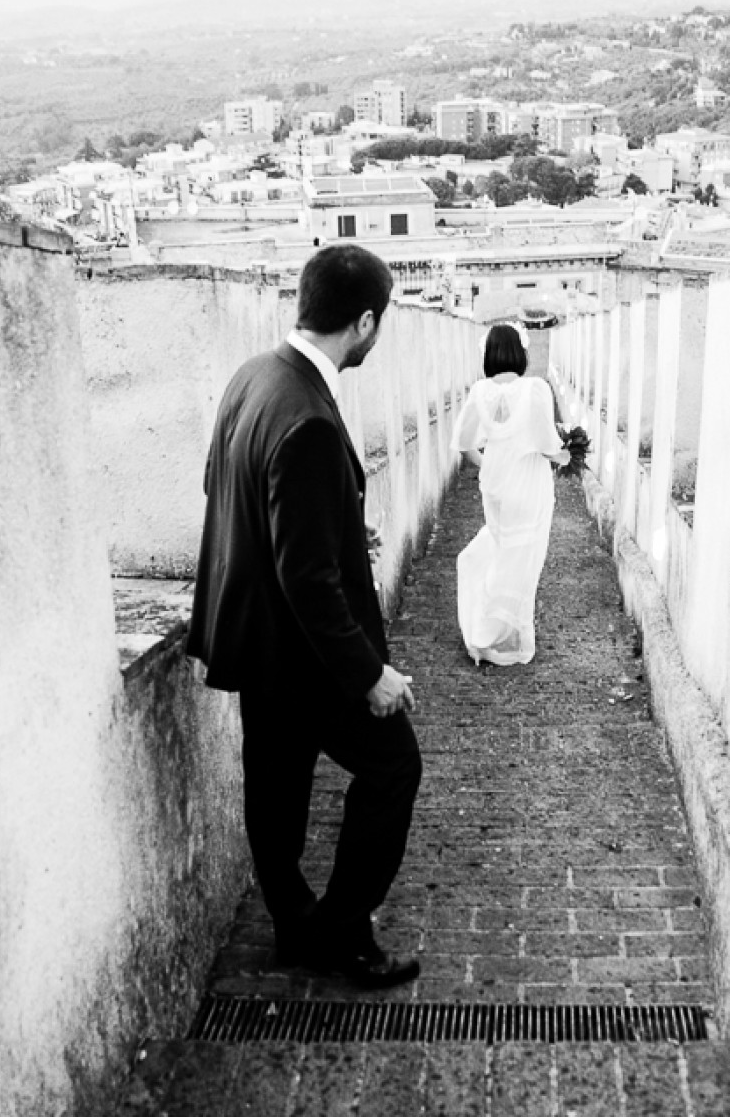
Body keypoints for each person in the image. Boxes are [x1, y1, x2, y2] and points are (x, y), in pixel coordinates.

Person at [187, 244, 422, 989]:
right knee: (394, 766)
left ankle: (294, 926)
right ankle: (343, 934)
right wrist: (370, 675)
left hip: (253, 636)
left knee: (277, 786)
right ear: (364, 322)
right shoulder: (311, 416)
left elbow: (227, 486)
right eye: (379, 324)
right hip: (303, 651)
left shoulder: (254, 377)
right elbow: (308, 579)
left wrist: (339, 530)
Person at [452, 323, 571, 666]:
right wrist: (566, 456)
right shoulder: (535, 389)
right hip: (529, 485)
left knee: (503, 551)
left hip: (495, 487)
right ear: (520, 353)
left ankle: (494, 625)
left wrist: (489, 463)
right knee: (524, 559)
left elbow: (463, 444)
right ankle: (497, 632)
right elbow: (547, 444)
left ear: (488, 354)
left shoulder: (479, 392)